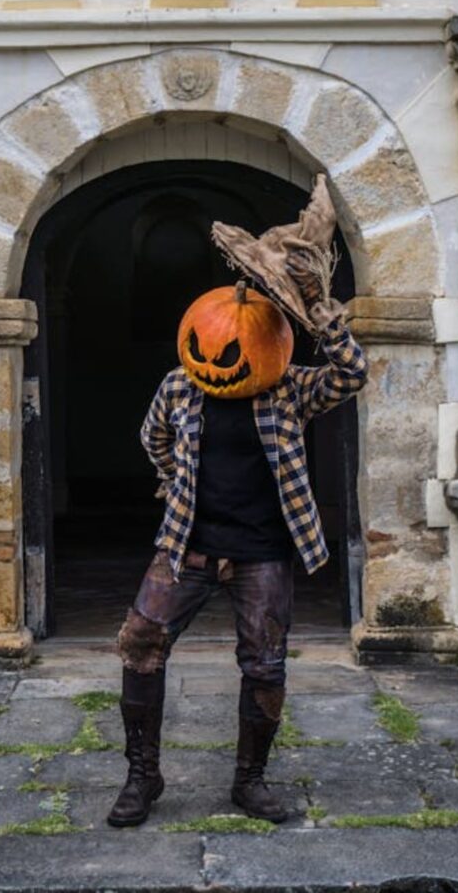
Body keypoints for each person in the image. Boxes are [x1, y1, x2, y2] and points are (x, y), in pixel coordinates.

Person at [106, 192, 369, 829]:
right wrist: (173, 482)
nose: (217, 357)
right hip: (187, 545)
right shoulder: (179, 384)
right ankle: (143, 775)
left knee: (265, 663)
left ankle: (250, 781)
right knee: (141, 643)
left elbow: (351, 374)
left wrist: (321, 315)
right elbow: (153, 437)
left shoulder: (290, 386)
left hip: (263, 551)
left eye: (234, 347)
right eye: (206, 346)